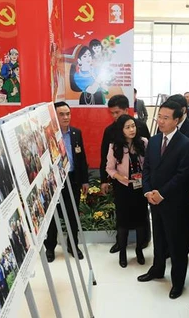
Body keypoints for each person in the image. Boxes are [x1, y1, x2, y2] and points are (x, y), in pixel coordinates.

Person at [137, 100, 189, 300]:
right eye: (159, 116)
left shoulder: (186, 144)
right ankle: (157, 269)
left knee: (176, 244)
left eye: (165, 118)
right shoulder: (153, 141)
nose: (160, 121)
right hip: (154, 201)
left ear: (177, 120)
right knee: (159, 237)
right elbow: (147, 169)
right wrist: (148, 191)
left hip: (175, 203)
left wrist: (161, 193)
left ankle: (178, 282)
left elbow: (183, 175)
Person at [99, 95, 150, 254]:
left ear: (126, 110)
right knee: (122, 214)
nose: (114, 116)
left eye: (117, 112)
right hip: (121, 182)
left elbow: (149, 156)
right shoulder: (110, 131)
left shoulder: (140, 127)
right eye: (112, 113)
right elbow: (105, 159)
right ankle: (120, 244)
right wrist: (105, 180)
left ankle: (143, 241)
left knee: (141, 213)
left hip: (141, 183)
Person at [44, 102, 89, 262]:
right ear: (55, 116)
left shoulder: (76, 133)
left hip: (72, 180)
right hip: (54, 181)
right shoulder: (48, 134)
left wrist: (85, 180)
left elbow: (81, 158)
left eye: (68, 114)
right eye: (62, 114)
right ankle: (50, 247)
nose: (65, 117)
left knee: (72, 215)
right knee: (53, 217)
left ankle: (72, 245)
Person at [106, 114, 149, 267]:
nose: (132, 130)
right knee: (123, 222)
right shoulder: (114, 146)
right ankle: (122, 252)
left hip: (140, 188)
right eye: (128, 127)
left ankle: (139, 250)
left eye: (133, 126)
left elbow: (149, 165)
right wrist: (119, 177)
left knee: (140, 221)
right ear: (121, 130)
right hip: (123, 189)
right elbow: (109, 168)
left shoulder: (143, 142)